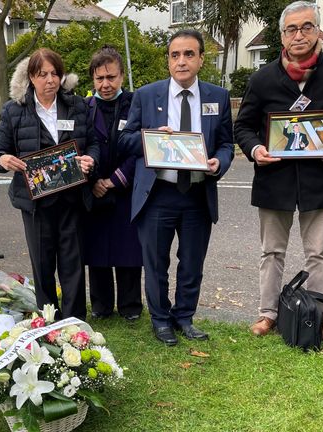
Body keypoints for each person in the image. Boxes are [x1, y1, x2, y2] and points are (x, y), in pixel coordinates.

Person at [233, 1, 323, 342]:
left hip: (319, 179)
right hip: (273, 180)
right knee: (271, 252)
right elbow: (244, 126)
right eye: (291, 29)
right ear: (281, 36)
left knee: (318, 253)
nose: (299, 35)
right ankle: (268, 314)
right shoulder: (263, 78)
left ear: (318, 31)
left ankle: (318, 319)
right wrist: (255, 149)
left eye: (306, 27)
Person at [118, 29, 234, 345]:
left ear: (200, 59)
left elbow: (226, 144)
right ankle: (160, 320)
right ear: (168, 60)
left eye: (188, 54)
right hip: (158, 193)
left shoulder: (218, 97)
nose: (181, 61)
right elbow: (125, 139)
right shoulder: (146, 95)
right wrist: (151, 137)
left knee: (192, 261)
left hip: (198, 193)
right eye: (174, 55)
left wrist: (218, 163)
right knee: (156, 263)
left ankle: (184, 317)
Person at [0, 48, 98, 320]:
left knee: (72, 263)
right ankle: (50, 320)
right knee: (42, 264)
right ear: (31, 77)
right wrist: (4, 159)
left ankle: (74, 320)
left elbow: (93, 143)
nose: (50, 80)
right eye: (43, 74)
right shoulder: (14, 110)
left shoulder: (76, 106)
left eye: (55, 73)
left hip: (71, 198)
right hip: (36, 203)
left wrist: (90, 160)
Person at [82, 45, 143, 322]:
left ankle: (130, 306)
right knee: (98, 250)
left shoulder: (135, 103)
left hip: (126, 189)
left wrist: (115, 180)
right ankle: (101, 306)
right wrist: (93, 180)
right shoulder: (84, 108)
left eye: (111, 77)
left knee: (128, 248)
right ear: (92, 79)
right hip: (93, 190)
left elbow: (140, 148)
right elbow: (79, 147)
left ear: (121, 76)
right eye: (99, 78)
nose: (105, 84)